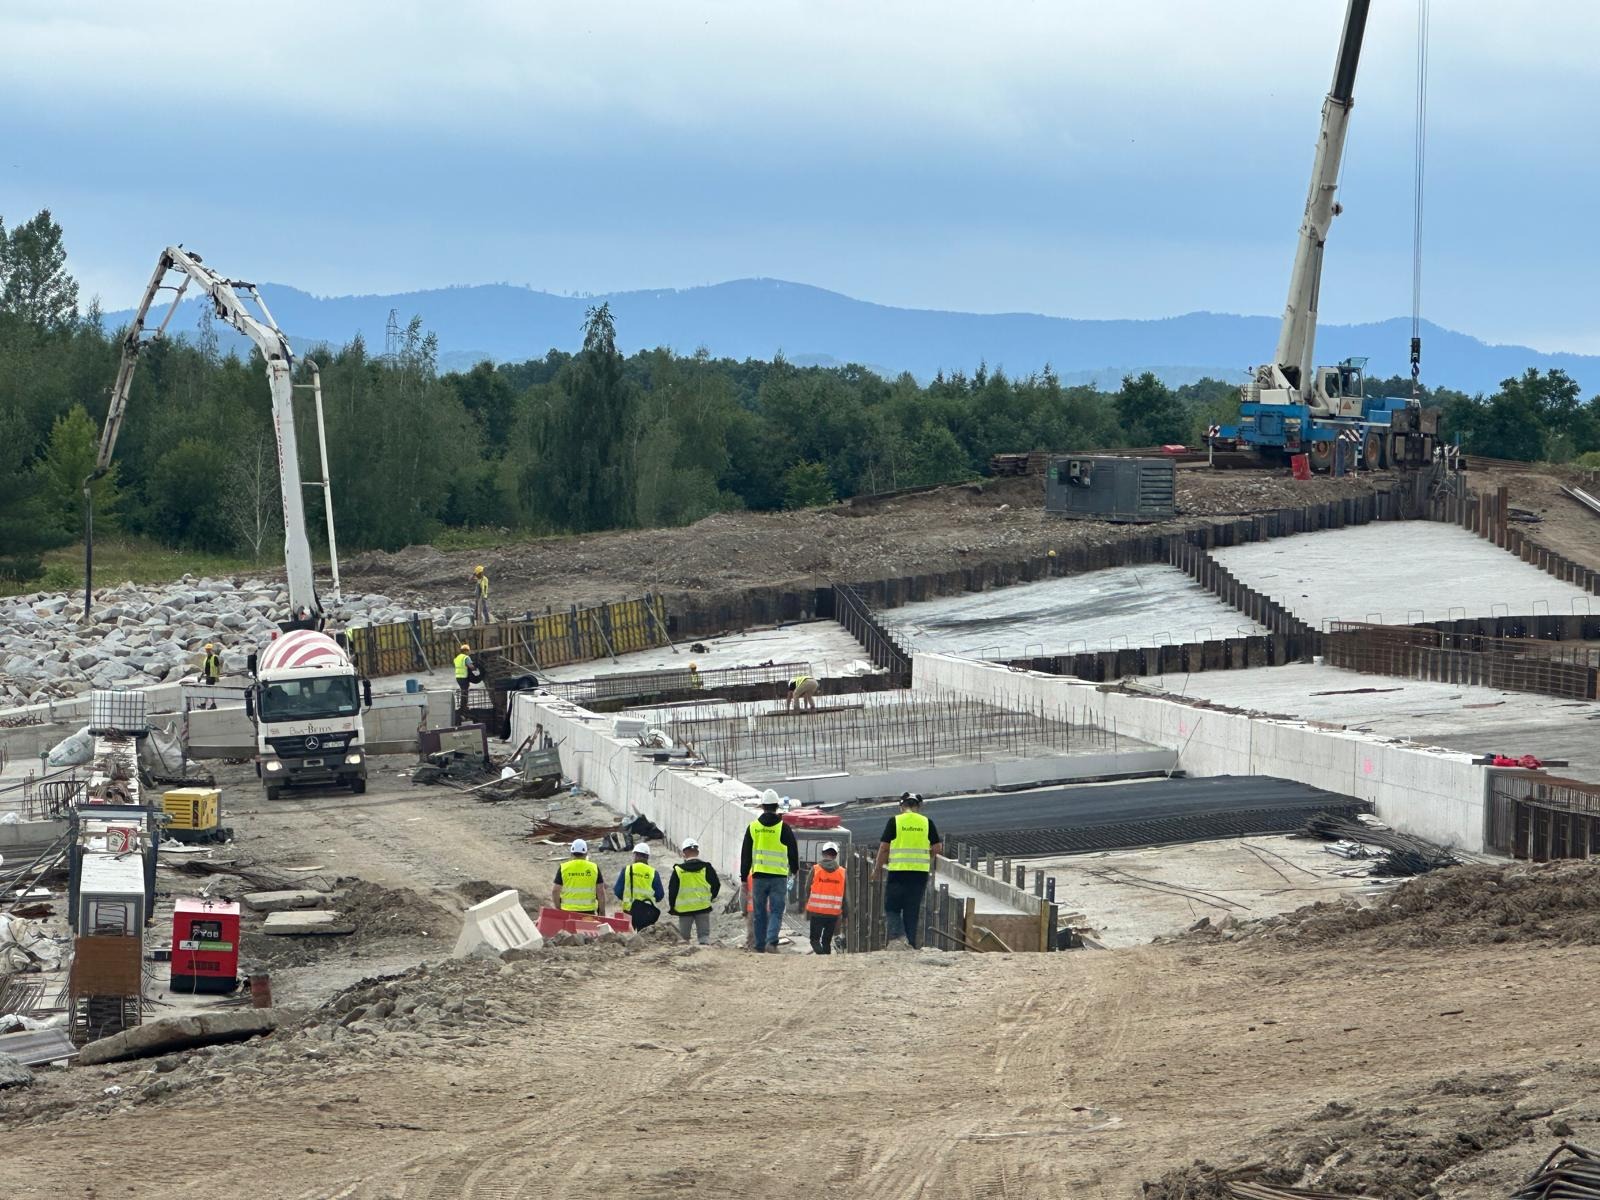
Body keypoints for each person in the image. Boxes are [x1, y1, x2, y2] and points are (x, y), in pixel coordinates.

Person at [872, 792, 943, 949]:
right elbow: (938, 848)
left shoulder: (895, 821)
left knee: (892, 907)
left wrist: (877, 869)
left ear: (901, 806)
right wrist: (927, 856)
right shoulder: (927, 822)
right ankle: (910, 944)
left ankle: (898, 937)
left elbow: (884, 848)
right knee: (912, 911)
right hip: (919, 874)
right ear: (919, 806)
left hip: (898, 872)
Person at [740, 796, 798, 952]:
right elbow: (793, 851)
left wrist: (744, 877)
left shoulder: (753, 827)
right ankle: (771, 942)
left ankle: (759, 945)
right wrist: (794, 869)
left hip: (759, 876)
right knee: (776, 911)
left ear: (762, 806)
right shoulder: (783, 828)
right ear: (776, 806)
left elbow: (745, 855)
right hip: (778, 877)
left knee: (759, 913)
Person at [668, 837, 721, 944]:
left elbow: (672, 891)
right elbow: (716, 885)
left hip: (684, 909)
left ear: (684, 853)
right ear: (697, 852)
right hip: (703, 907)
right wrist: (710, 898)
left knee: (683, 938)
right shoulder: (706, 867)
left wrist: (672, 907)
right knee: (704, 937)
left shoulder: (678, 870)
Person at [805, 841, 846, 955]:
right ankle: (827, 960)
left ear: (823, 854)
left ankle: (822, 958)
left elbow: (807, 888)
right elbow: (845, 895)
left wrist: (809, 901)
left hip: (817, 912)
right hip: (833, 913)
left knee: (814, 941)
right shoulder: (842, 872)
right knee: (826, 942)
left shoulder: (815, 869)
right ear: (835, 855)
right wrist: (845, 913)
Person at [613, 842, 664, 930]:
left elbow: (618, 891)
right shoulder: (653, 872)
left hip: (629, 911)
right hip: (647, 912)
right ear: (647, 857)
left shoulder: (627, 870)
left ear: (636, 855)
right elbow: (660, 895)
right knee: (645, 935)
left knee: (630, 935)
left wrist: (627, 899)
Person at [552, 839, 605, 915]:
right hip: (588, 912)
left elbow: (555, 891)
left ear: (571, 853)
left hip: (567, 911)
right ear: (586, 853)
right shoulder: (594, 868)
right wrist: (602, 913)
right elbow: (601, 892)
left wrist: (558, 909)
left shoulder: (564, 868)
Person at [453, 642, 474, 716]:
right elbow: (471, 666)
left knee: (463, 691)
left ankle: (463, 706)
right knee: (465, 692)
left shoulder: (457, 657)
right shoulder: (466, 657)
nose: (469, 652)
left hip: (458, 677)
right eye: (468, 650)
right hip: (463, 677)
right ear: (465, 651)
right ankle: (464, 707)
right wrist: (475, 668)